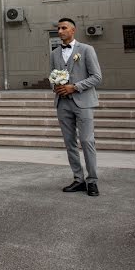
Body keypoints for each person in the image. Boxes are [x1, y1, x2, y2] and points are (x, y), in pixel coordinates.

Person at [50, 17, 102, 197]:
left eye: (63, 28)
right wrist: (56, 87)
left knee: (87, 141)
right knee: (70, 142)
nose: (60, 31)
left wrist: (75, 87)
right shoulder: (54, 53)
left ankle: (92, 181)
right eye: (58, 28)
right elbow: (52, 76)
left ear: (73, 30)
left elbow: (97, 77)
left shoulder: (87, 50)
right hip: (62, 103)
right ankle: (78, 179)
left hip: (83, 102)